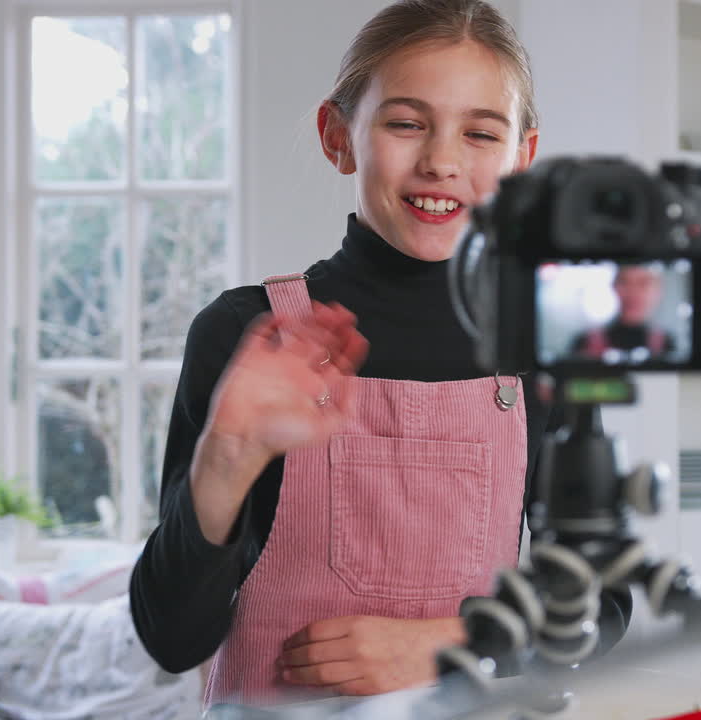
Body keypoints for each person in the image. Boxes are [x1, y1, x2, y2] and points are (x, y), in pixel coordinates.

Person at [130, 0, 632, 706]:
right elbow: (171, 638)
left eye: (481, 133)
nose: (441, 161)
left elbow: (601, 604)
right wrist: (227, 455)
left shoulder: (546, 347)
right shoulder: (247, 333)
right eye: (406, 123)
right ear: (338, 136)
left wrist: (450, 641)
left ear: (521, 158)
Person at [571, 264, 677, 361]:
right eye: (624, 282)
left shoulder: (665, 343)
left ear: (658, 291)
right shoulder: (585, 342)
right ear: (614, 287)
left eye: (643, 283)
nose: (633, 292)